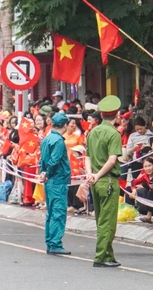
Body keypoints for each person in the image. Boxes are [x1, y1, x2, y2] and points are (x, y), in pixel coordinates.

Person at [82, 95, 123, 268]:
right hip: (108, 181)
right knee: (108, 221)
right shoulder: (113, 133)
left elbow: (87, 157)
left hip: (95, 182)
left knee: (100, 220)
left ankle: (108, 254)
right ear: (117, 114)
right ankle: (100, 256)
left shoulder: (93, 132)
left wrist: (91, 174)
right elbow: (112, 160)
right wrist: (98, 175)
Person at [39, 111, 72, 255]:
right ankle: (55, 243)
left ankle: (50, 241)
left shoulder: (47, 139)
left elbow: (43, 159)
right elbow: (55, 160)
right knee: (58, 212)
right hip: (58, 179)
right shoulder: (58, 141)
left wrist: (43, 172)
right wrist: (48, 172)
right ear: (64, 125)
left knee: (51, 212)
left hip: (50, 181)